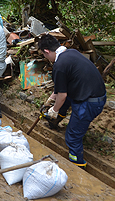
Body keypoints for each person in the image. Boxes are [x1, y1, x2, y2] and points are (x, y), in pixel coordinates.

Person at [37, 34, 106, 169]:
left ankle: (77, 166)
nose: (46, 58)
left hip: (90, 103)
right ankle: (55, 122)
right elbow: (60, 88)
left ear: (46, 51)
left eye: (44, 55)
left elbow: (62, 96)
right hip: (95, 94)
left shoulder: (59, 66)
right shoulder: (70, 53)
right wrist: (50, 100)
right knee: (64, 101)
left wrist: (53, 110)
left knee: (72, 137)